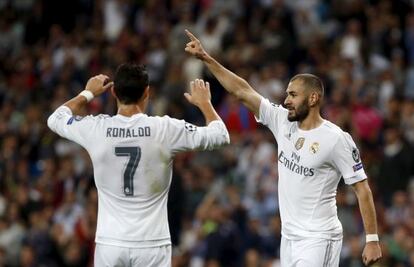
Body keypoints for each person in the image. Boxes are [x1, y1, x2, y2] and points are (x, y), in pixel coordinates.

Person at [184, 30, 382, 266]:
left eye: (293, 95)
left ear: (313, 99)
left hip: (319, 238)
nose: (286, 100)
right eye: (287, 94)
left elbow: (362, 188)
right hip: (288, 237)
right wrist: (207, 58)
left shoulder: (336, 139)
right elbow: (242, 91)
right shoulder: (281, 122)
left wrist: (372, 239)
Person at [47, 63, 230, 266]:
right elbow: (220, 135)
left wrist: (88, 93)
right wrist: (204, 103)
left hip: (110, 244)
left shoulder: (96, 128)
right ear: (147, 92)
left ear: (114, 92)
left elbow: (56, 119)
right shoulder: (164, 129)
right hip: (152, 244)